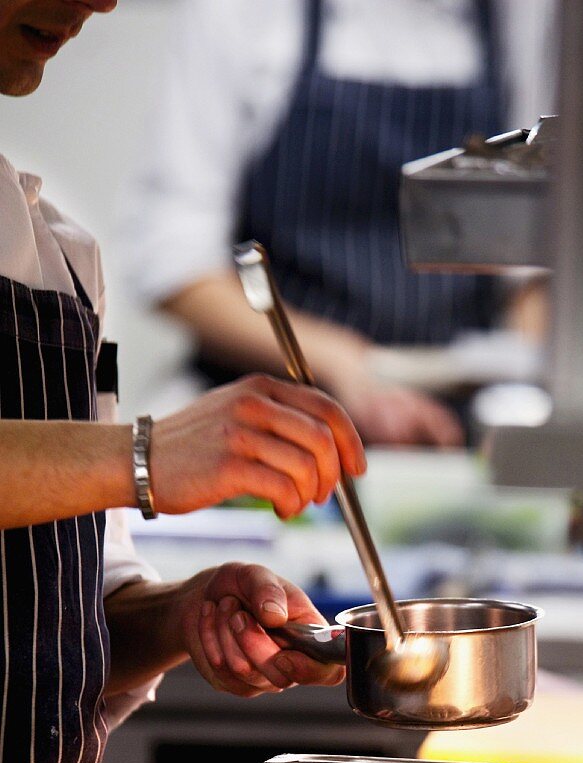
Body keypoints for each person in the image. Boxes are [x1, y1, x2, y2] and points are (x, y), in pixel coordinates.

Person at [0, 2, 367, 763]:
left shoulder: (53, 252)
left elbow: (57, 607)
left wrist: (175, 617)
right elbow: (127, 466)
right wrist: (148, 454)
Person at [122, 0, 510, 447]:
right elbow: (172, 260)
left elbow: (539, 275)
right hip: (268, 422)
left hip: (463, 429)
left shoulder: (522, 18)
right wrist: (344, 365)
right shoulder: (242, 13)